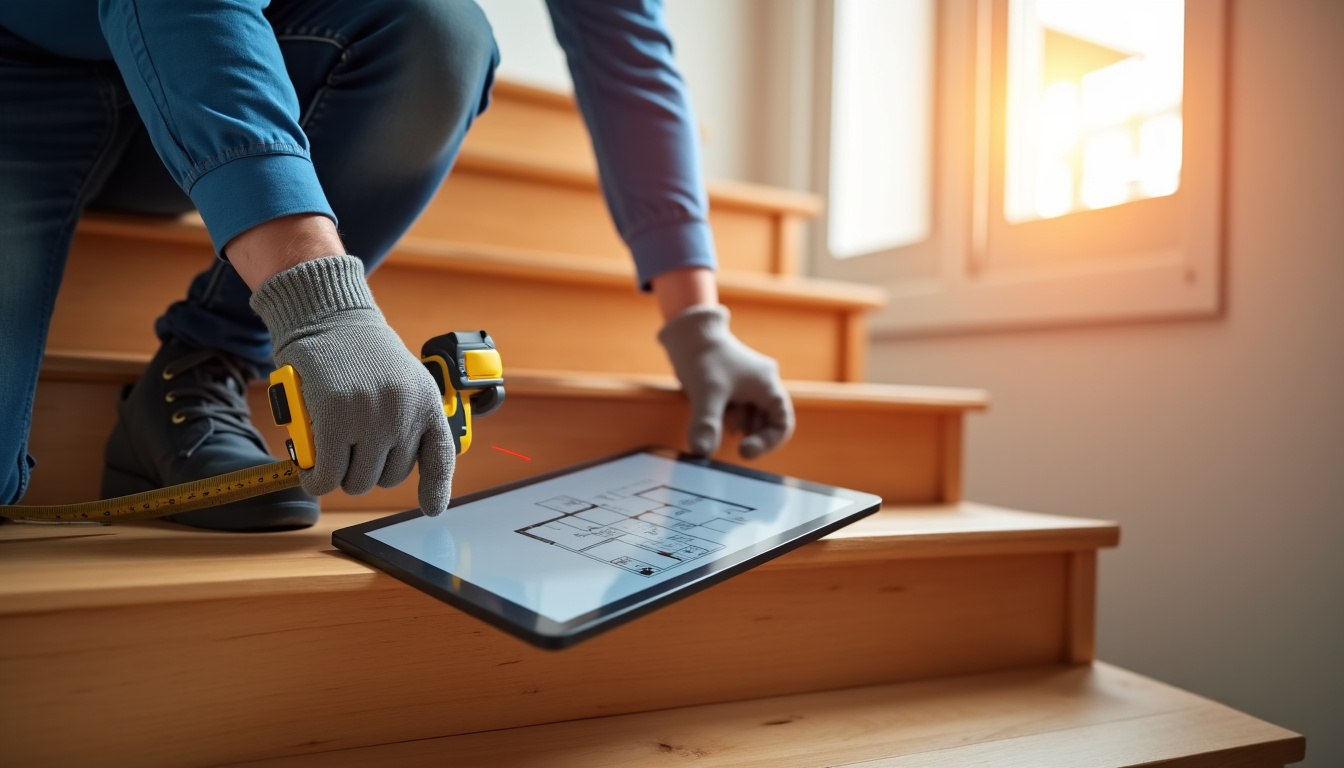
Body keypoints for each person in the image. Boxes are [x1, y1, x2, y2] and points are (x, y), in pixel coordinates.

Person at [0, 0, 794, 531]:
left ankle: (205, 364)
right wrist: (322, 304)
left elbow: (628, 48)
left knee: (436, 29)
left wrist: (697, 316)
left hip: (221, 96)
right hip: (27, 63)